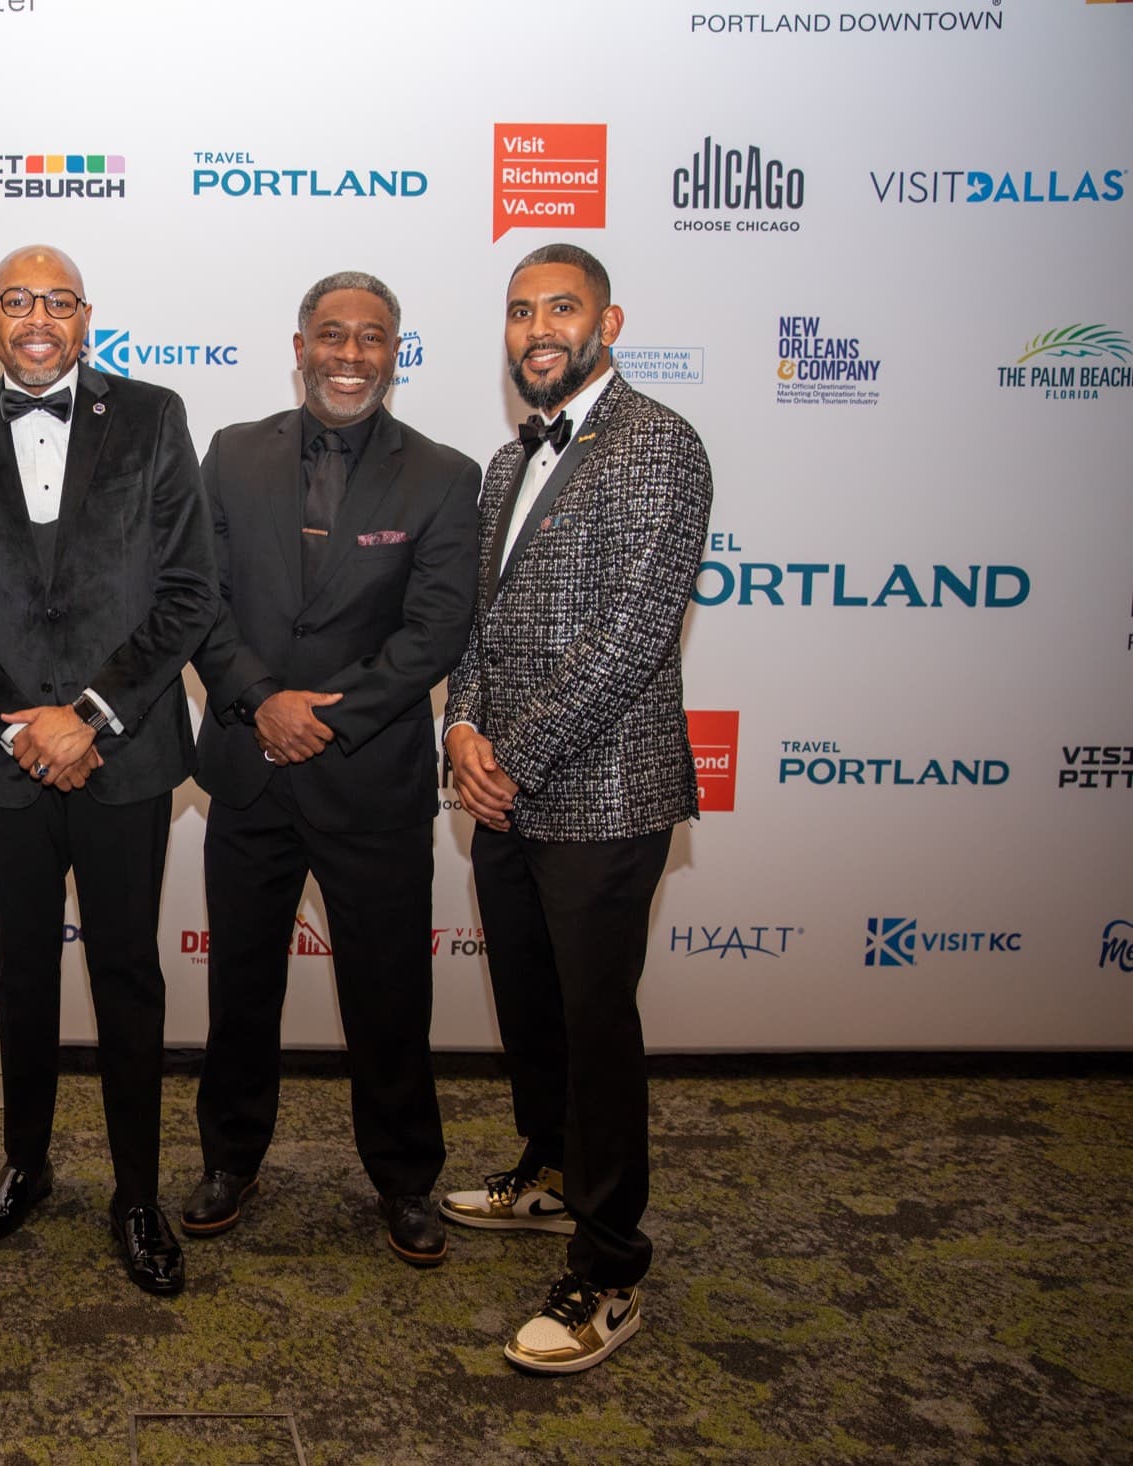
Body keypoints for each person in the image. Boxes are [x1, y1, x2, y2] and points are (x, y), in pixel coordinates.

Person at [0, 244, 217, 1296]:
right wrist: (18, 725)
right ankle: (26, 1163)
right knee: (22, 968)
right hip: (6, 761)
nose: (36, 317)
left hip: (122, 753)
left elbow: (187, 590)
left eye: (57, 300)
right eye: (16, 301)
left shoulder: (154, 415)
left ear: (87, 316)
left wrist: (86, 716)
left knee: (127, 972)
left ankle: (137, 1191)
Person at [440, 242, 714, 1374]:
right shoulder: (506, 463)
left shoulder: (659, 443)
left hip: (602, 792)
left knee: (597, 1030)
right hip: (501, 787)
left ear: (610, 320)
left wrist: (514, 752)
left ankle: (608, 1268)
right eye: (519, 311)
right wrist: (459, 727)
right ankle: (548, 1171)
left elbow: (632, 635)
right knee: (534, 1004)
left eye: (561, 307)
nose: (537, 328)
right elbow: (476, 622)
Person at [184, 271, 479, 1264]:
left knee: (390, 994)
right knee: (240, 989)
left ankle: (405, 1177)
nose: (350, 355)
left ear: (394, 352)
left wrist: (323, 716)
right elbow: (199, 602)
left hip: (369, 779)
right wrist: (259, 700)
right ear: (299, 343)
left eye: (372, 338)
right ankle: (228, 1156)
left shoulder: (442, 475)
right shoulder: (230, 454)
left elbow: (434, 629)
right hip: (250, 764)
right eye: (332, 335)